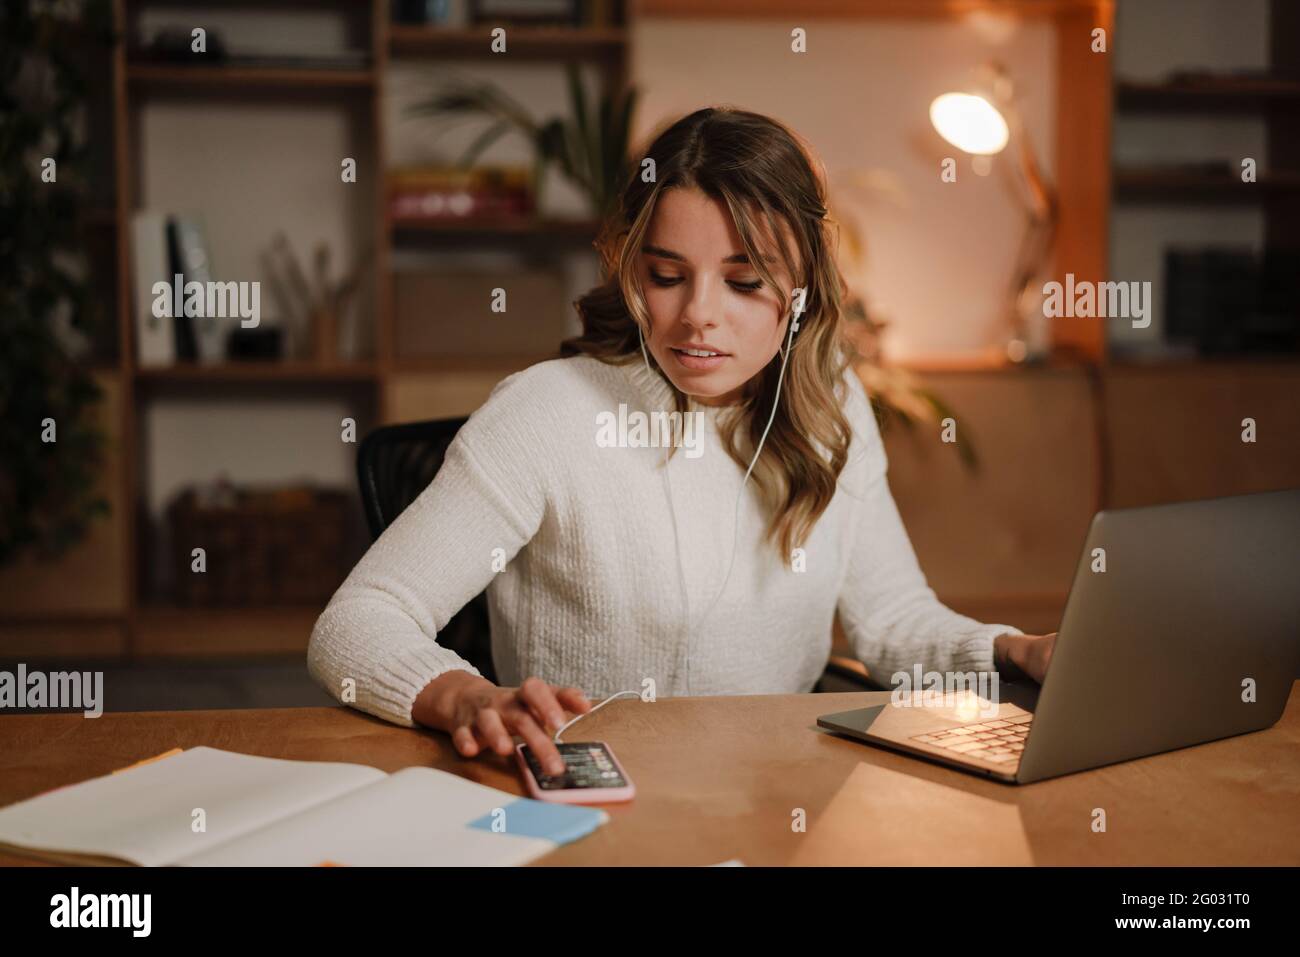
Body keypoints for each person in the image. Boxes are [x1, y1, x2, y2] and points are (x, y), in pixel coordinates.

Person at [308, 107, 1056, 777]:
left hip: (777, 797)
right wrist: (464, 695)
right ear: (631, 269)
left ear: (801, 289)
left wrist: (1014, 650)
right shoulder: (546, 413)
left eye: (744, 282)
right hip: (597, 801)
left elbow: (893, 621)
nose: (699, 314)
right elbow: (356, 623)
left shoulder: (834, 406)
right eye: (667, 275)